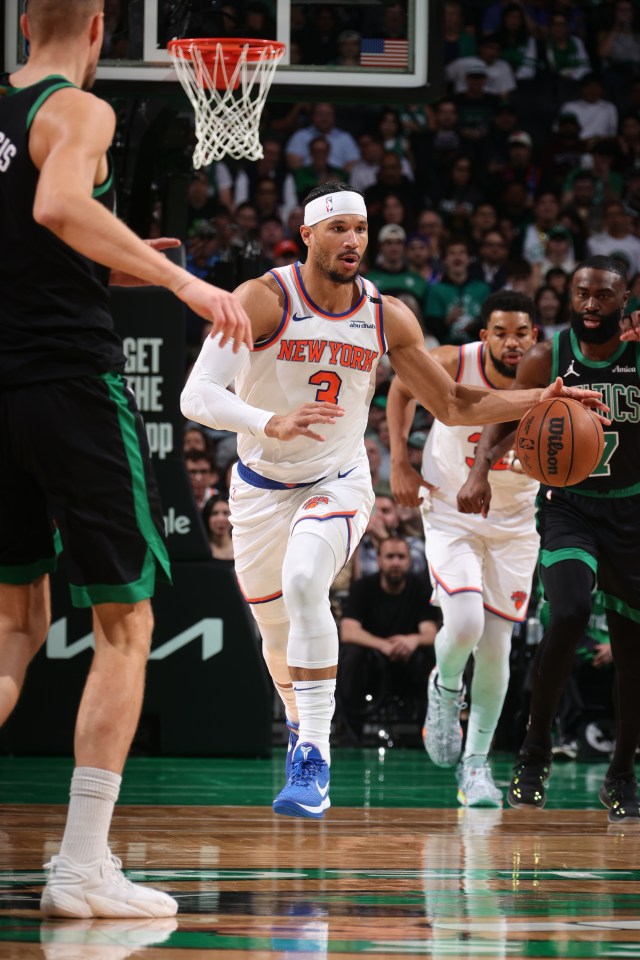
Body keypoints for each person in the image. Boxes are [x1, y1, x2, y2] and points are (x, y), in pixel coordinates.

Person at [180, 180, 603, 821]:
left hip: (339, 481)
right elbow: (197, 396)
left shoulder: (387, 315)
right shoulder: (264, 300)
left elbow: (456, 404)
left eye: (361, 229)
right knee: (274, 634)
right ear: (308, 235)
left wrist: (541, 399)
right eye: (339, 228)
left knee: (305, 582)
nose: (353, 240)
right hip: (259, 486)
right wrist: (270, 422)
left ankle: (314, 759)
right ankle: (301, 726)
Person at [0, 0, 252, 918]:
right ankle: (79, 868)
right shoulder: (79, 109)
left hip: (5, 390)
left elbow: (37, 239)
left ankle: (79, 868)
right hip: (69, 387)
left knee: (14, 628)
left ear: (24, 23)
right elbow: (58, 203)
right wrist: (183, 280)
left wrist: (125, 260)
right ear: (100, 26)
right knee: (127, 622)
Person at [459, 256, 640, 824]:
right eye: (582, 293)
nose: (590, 305)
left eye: (603, 296)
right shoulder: (549, 355)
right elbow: (506, 413)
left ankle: (621, 773)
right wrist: (480, 467)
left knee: (634, 658)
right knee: (567, 611)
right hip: (571, 509)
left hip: (632, 514)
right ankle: (534, 753)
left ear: (625, 299)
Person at [388, 291, 541, 807]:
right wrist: (399, 461)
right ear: (485, 337)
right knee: (467, 623)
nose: (511, 342)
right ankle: (445, 686)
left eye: (521, 332)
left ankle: (476, 766)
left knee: (498, 647)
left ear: (534, 337)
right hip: (452, 513)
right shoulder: (455, 360)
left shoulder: (550, 379)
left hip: (517, 524)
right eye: (501, 332)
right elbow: (401, 390)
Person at [338, 536, 440, 744]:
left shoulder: (421, 589)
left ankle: (429, 732)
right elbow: (348, 631)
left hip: (409, 661)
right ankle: (349, 734)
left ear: (409, 561)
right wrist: (383, 645)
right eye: (390, 556)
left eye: (401, 557)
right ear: (379, 560)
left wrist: (412, 640)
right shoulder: (363, 588)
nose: (396, 562)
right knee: (351, 655)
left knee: (432, 655)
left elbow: (431, 633)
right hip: (371, 663)